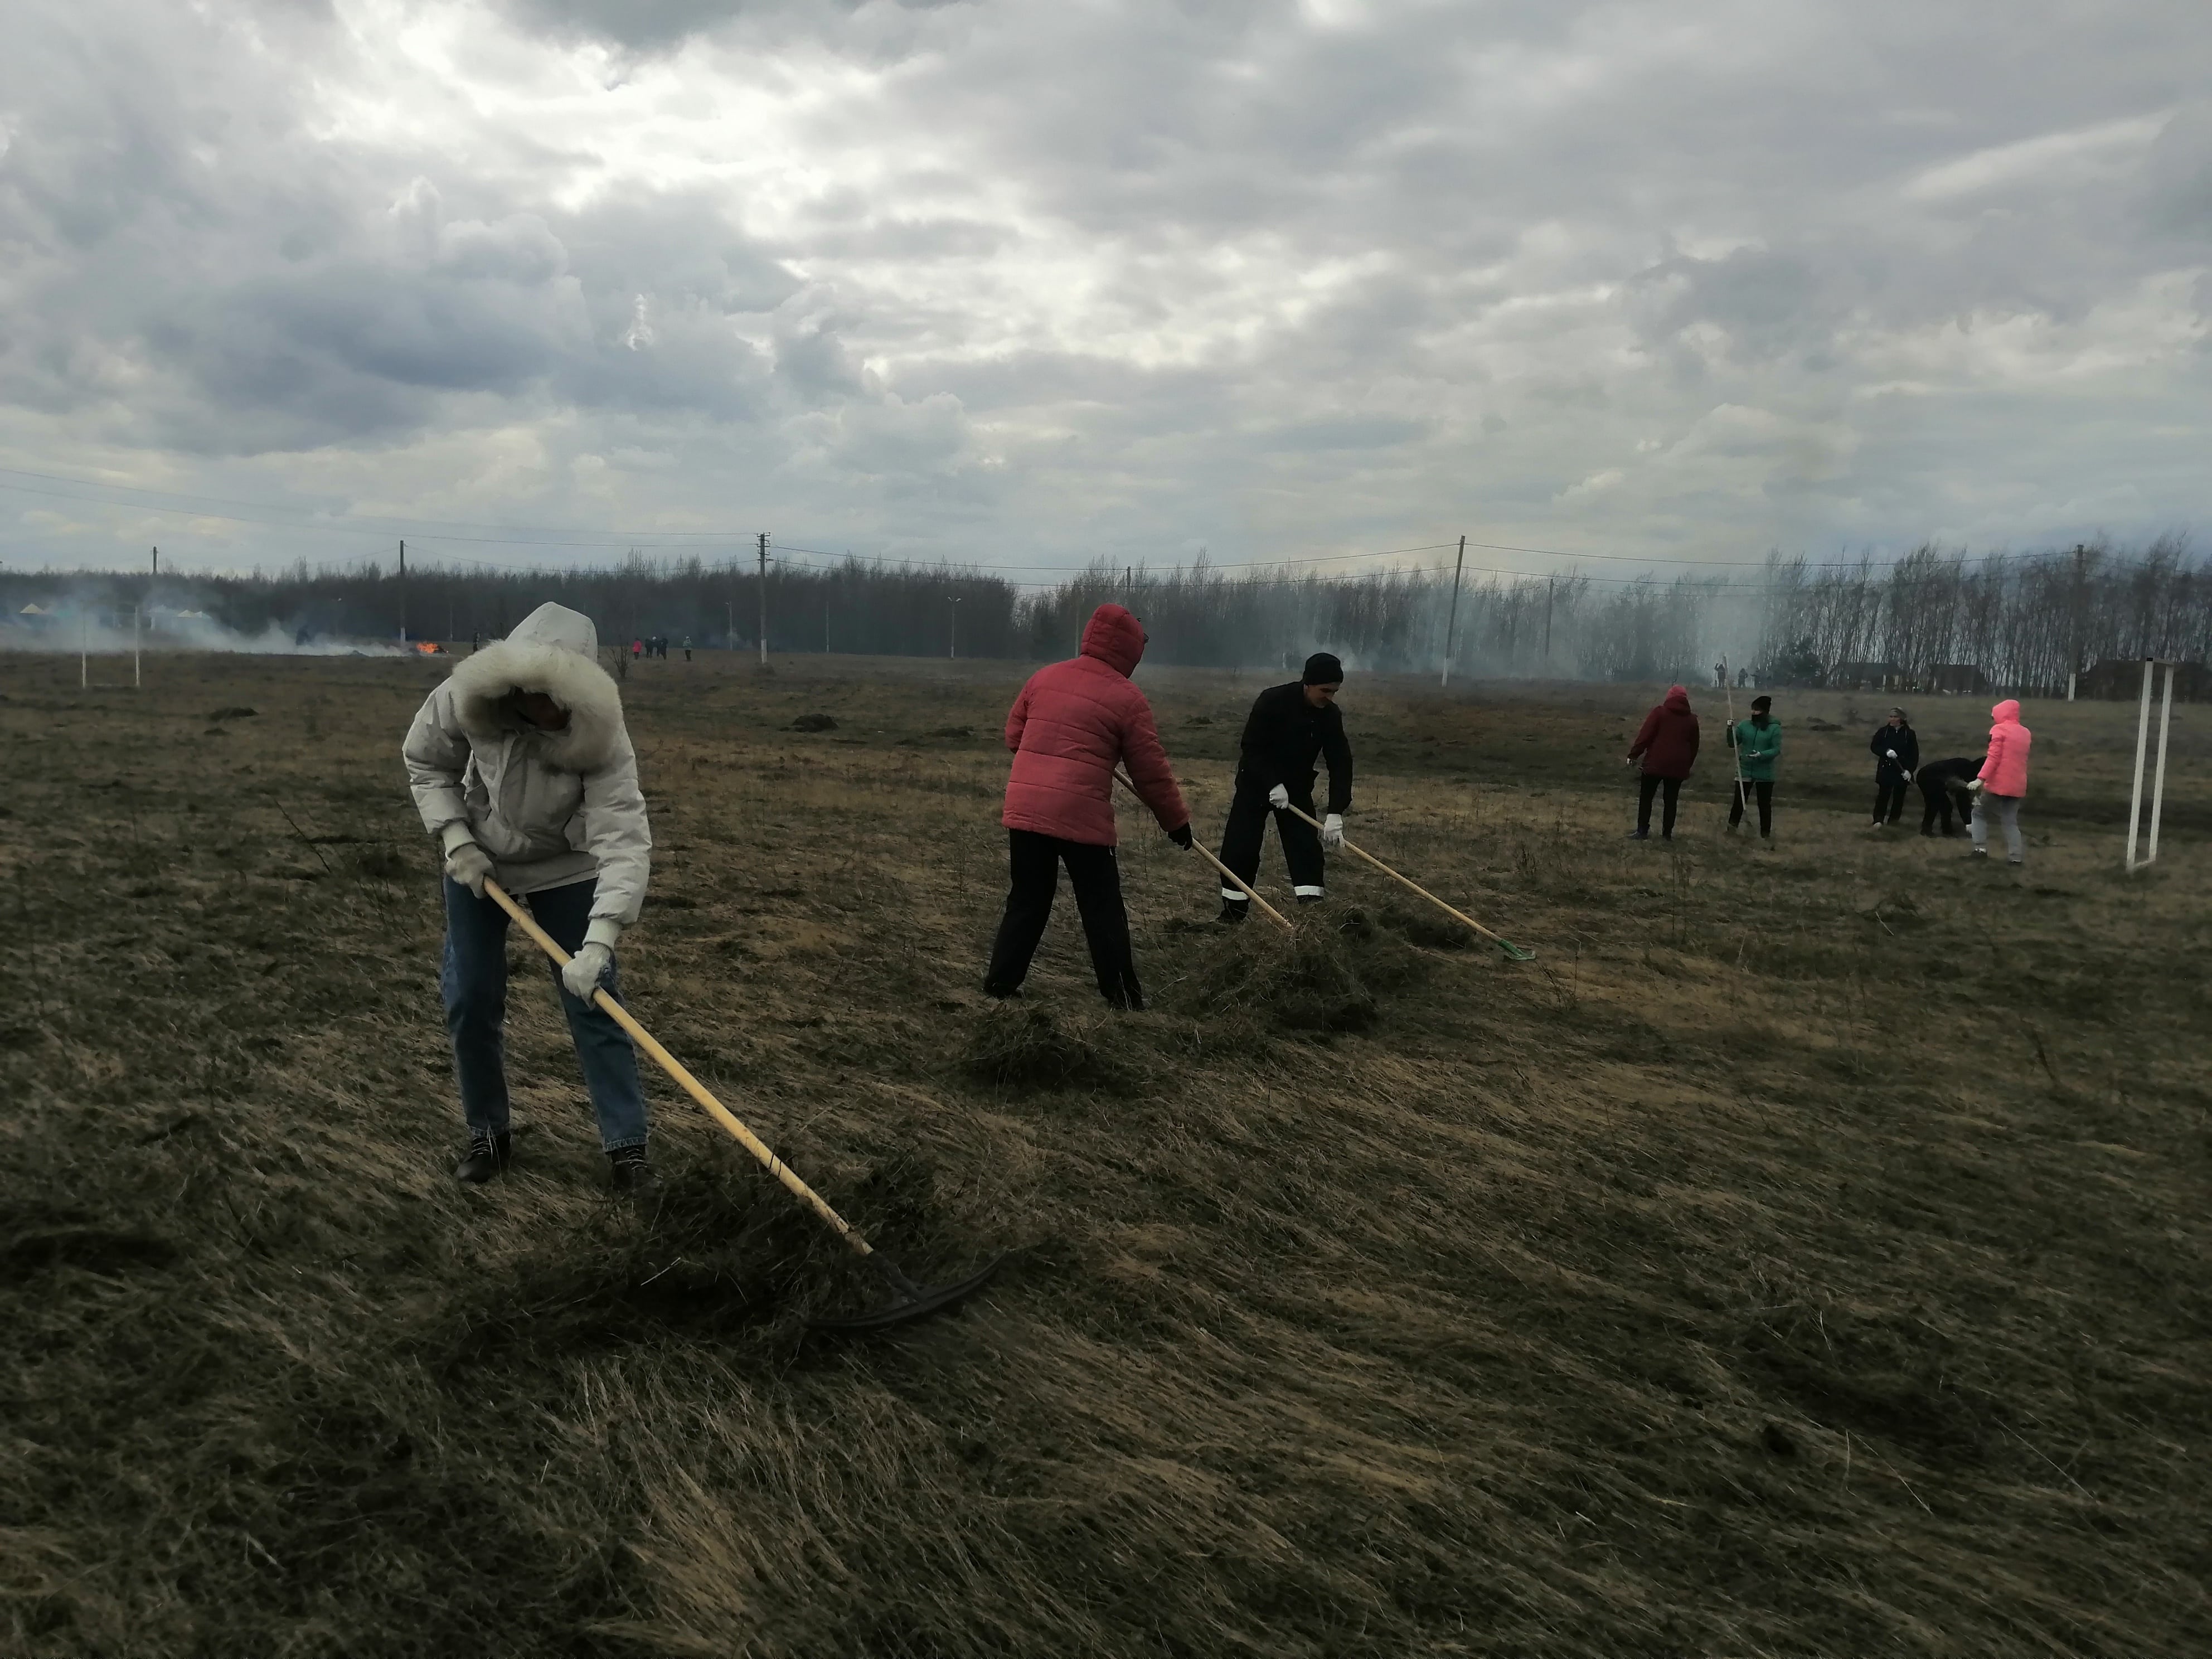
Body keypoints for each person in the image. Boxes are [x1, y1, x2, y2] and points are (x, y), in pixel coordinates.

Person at [402, 602, 657, 1192]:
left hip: (567, 871)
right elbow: (427, 763)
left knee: (595, 1002)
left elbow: (622, 835)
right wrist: (457, 838)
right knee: (470, 997)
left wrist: (599, 941)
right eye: (534, 694)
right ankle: (487, 1135)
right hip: (479, 867)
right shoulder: (465, 698)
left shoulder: (601, 734)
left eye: (559, 699)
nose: (546, 709)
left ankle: (628, 1149)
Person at [984, 603, 1191, 1008]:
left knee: (1027, 900)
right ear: (1131, 651)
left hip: (1026, 809)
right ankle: (1123, 997)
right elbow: (1150, 772)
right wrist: (1176, 823)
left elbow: (1014, 736)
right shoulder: (1128, 698)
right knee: (1102, 908)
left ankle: (1000, 984)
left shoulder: (1043, 678)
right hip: (1081, 817)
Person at [1215, 653, 1354, 920]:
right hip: (1255, 784)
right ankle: (1232, 915)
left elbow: (1341, 761)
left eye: (1335, 692)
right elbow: (1251, 748)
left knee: (1305, 849)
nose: (1330, 697)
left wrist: (1336, 811)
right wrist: (1272, 783)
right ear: (1308, 684)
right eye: (1325, 690)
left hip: (1297, 788)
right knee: (1240, 846)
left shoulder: (1330, 715)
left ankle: (1311, 916)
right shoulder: (1272, 701)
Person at [1625, 685, 1699, 840]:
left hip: (1655, 763)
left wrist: (1634, 755)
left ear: (1669, 697)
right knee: (1671, 800)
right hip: (1678, 766)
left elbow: (1646, 735)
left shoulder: (1659, 713)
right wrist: (1687, 765)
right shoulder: (1692, 719)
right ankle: (1667, 834)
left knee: (1646, 797)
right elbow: (1694, 746)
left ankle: (1642, 831)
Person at [1966, 699, 2032, 865]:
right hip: (2018, 784)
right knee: (2010, 821)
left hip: (1998, 784)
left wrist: (1980, 779)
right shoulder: (2025, 732)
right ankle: (2016, 858)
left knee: (1979, 813)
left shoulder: (1999, 730)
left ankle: (1979, 849)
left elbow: (1994, 758)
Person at [1725, 695, 1781, 846]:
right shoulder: (1744, 726)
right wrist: (1730, 729)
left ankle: (1765, 834)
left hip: (1765, 772)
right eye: (1753, 709)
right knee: (1738, 801)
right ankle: (1732, 829)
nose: (1754, 712)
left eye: (1757, 710)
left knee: (1764, 804)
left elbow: (1776, 749)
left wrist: (1761, 755)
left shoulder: (1774, 728)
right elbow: (1732, 744)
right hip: (1745, 769)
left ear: (1765, 712)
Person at [1869, 707, 1920, 828]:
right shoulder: (1883, 732)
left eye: (1895, 717)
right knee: (1883, 795)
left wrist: (1909, 771)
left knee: (1899, 797)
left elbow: (1914, 754)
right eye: (1890, 716)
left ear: (1901, 719)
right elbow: (1874, 746)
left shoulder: (1909, 734)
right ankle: (1878, 820)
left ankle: (1894, 821)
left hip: (1901, 770)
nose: (1892, 719)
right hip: (1886, 768)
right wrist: (1886, 751)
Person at [1917, 753, 1986, 837]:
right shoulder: (1966, 774)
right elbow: (1962, 800)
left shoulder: (1966, 765)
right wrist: (1968, 822)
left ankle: (1941, 830)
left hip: (1927, 775)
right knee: (1937, 805)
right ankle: (1940, 830)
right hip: (1929, 778)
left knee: (1940, 805)